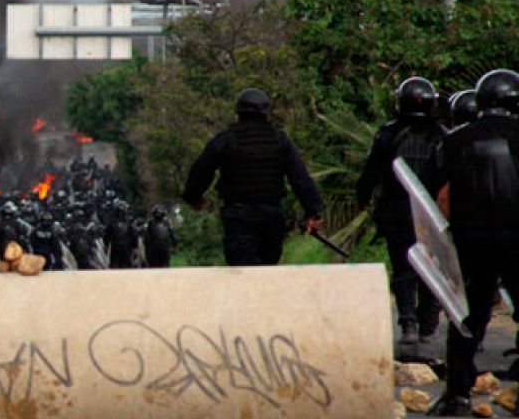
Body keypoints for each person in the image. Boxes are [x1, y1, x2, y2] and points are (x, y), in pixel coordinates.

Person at [421, 69, 519, 415]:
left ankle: (457, 394)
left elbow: (438, 197)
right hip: (516, 236)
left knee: (469, 317)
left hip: (471, 239)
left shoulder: (454, 141)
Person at [182, 88, 324, 266]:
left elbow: (201, 169)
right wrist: (313, 211)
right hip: (271, 218)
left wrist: (193, 197)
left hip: (238, 218)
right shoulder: (280, 141)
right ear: (266, 112)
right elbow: (300, 177)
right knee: (266, 272)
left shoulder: (227, 140)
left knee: (242, 274)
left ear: (238, 112)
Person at [356, 77, 445, 350]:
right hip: (433, 214)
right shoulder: (442, 134)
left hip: (397, 212)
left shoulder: (388, 133)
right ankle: (427, 323)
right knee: (431, 269)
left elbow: (371, 171)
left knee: (403, 268)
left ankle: (408, 323)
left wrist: (363, 197)